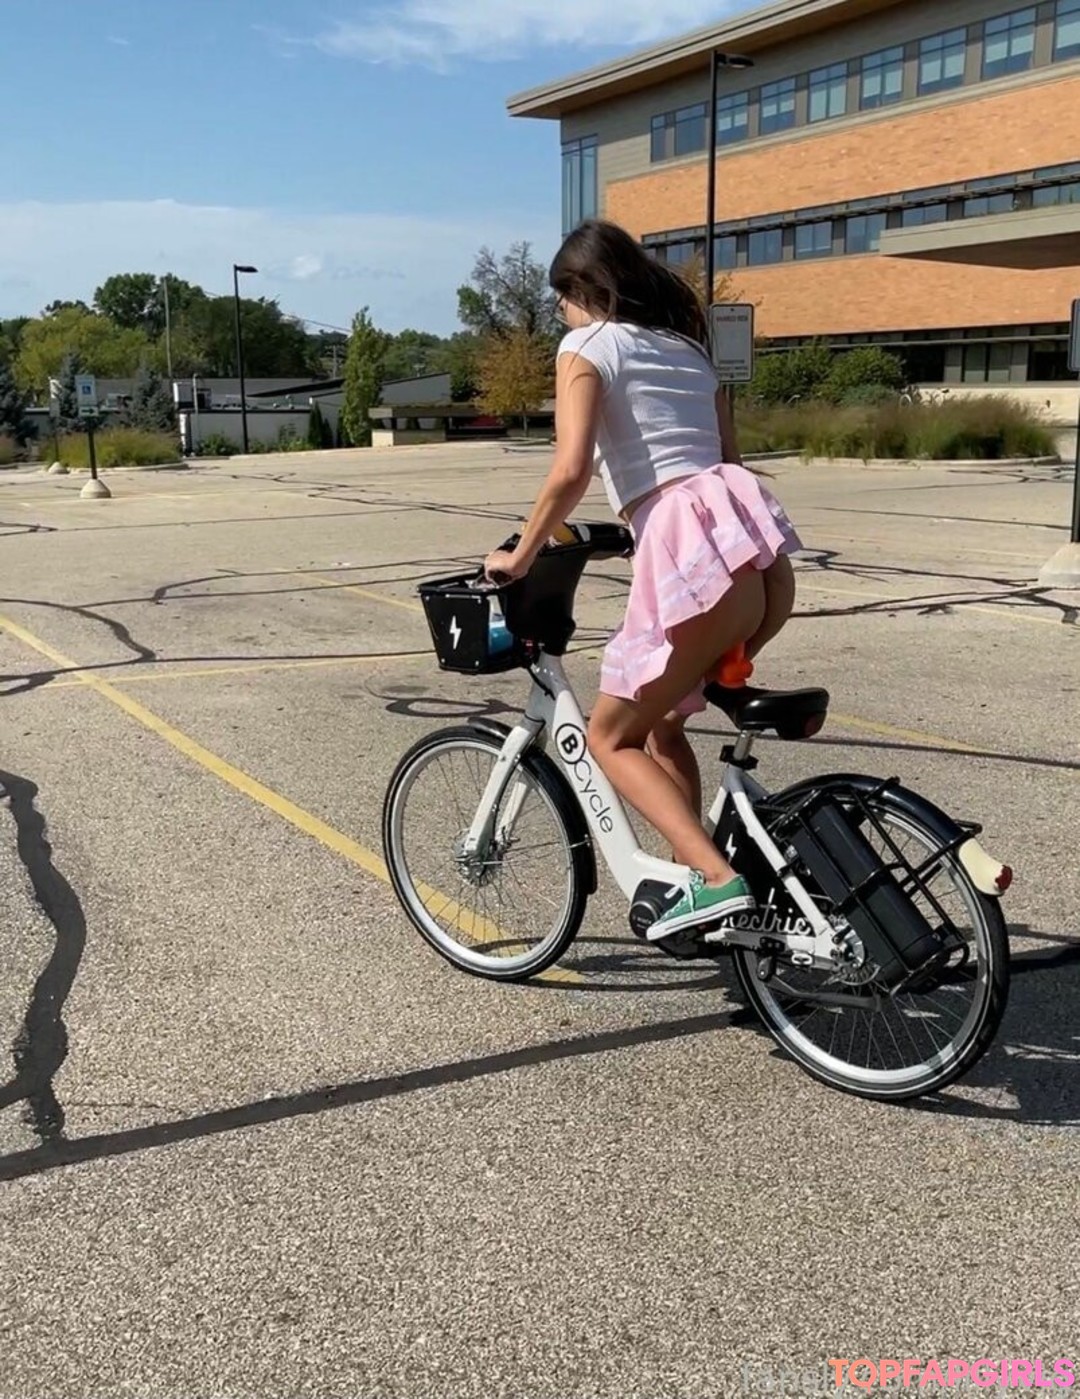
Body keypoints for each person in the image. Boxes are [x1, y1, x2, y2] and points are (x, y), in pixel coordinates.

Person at [484, 219, 802, 938]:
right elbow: (723, 460)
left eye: (562, 297)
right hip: (749, 563)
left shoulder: (588, 346)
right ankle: (696, 870)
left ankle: (716, 881)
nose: (560, 312)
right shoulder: (689, 351)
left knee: (609, 737)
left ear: (585, 288)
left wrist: (521, 554)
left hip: (691, 558)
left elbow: (570, 469)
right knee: (662, 724)